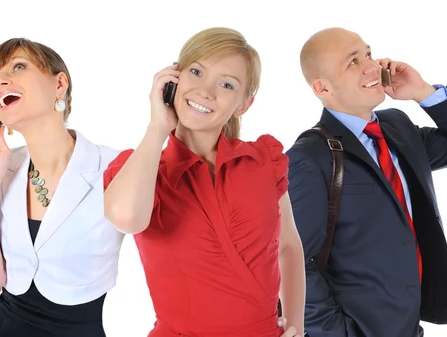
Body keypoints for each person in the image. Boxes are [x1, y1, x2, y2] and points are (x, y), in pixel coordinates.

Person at [287, 27, 447, 337]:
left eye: (368, 54)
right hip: (361, 329)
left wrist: (422, 91)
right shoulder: (309, 157)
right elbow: (293, 262)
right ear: (323, 87)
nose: (372, 66)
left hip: (409, 322)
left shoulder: (397, 127)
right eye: (352, 62)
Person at [103, 27, 306, 337]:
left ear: (243, 105)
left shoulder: (264, 160)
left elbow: (289, 246)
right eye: (196, 72)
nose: (206, 91)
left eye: (226, 84)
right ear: (173, 78)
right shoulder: (140, 168)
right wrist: (158, 126)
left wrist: (296, 325)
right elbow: (126, 218)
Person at [0, 38, 125, 337]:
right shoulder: (3, 168)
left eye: (18, 66)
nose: (0, 81)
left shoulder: (116, 166)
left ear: (59, 83)